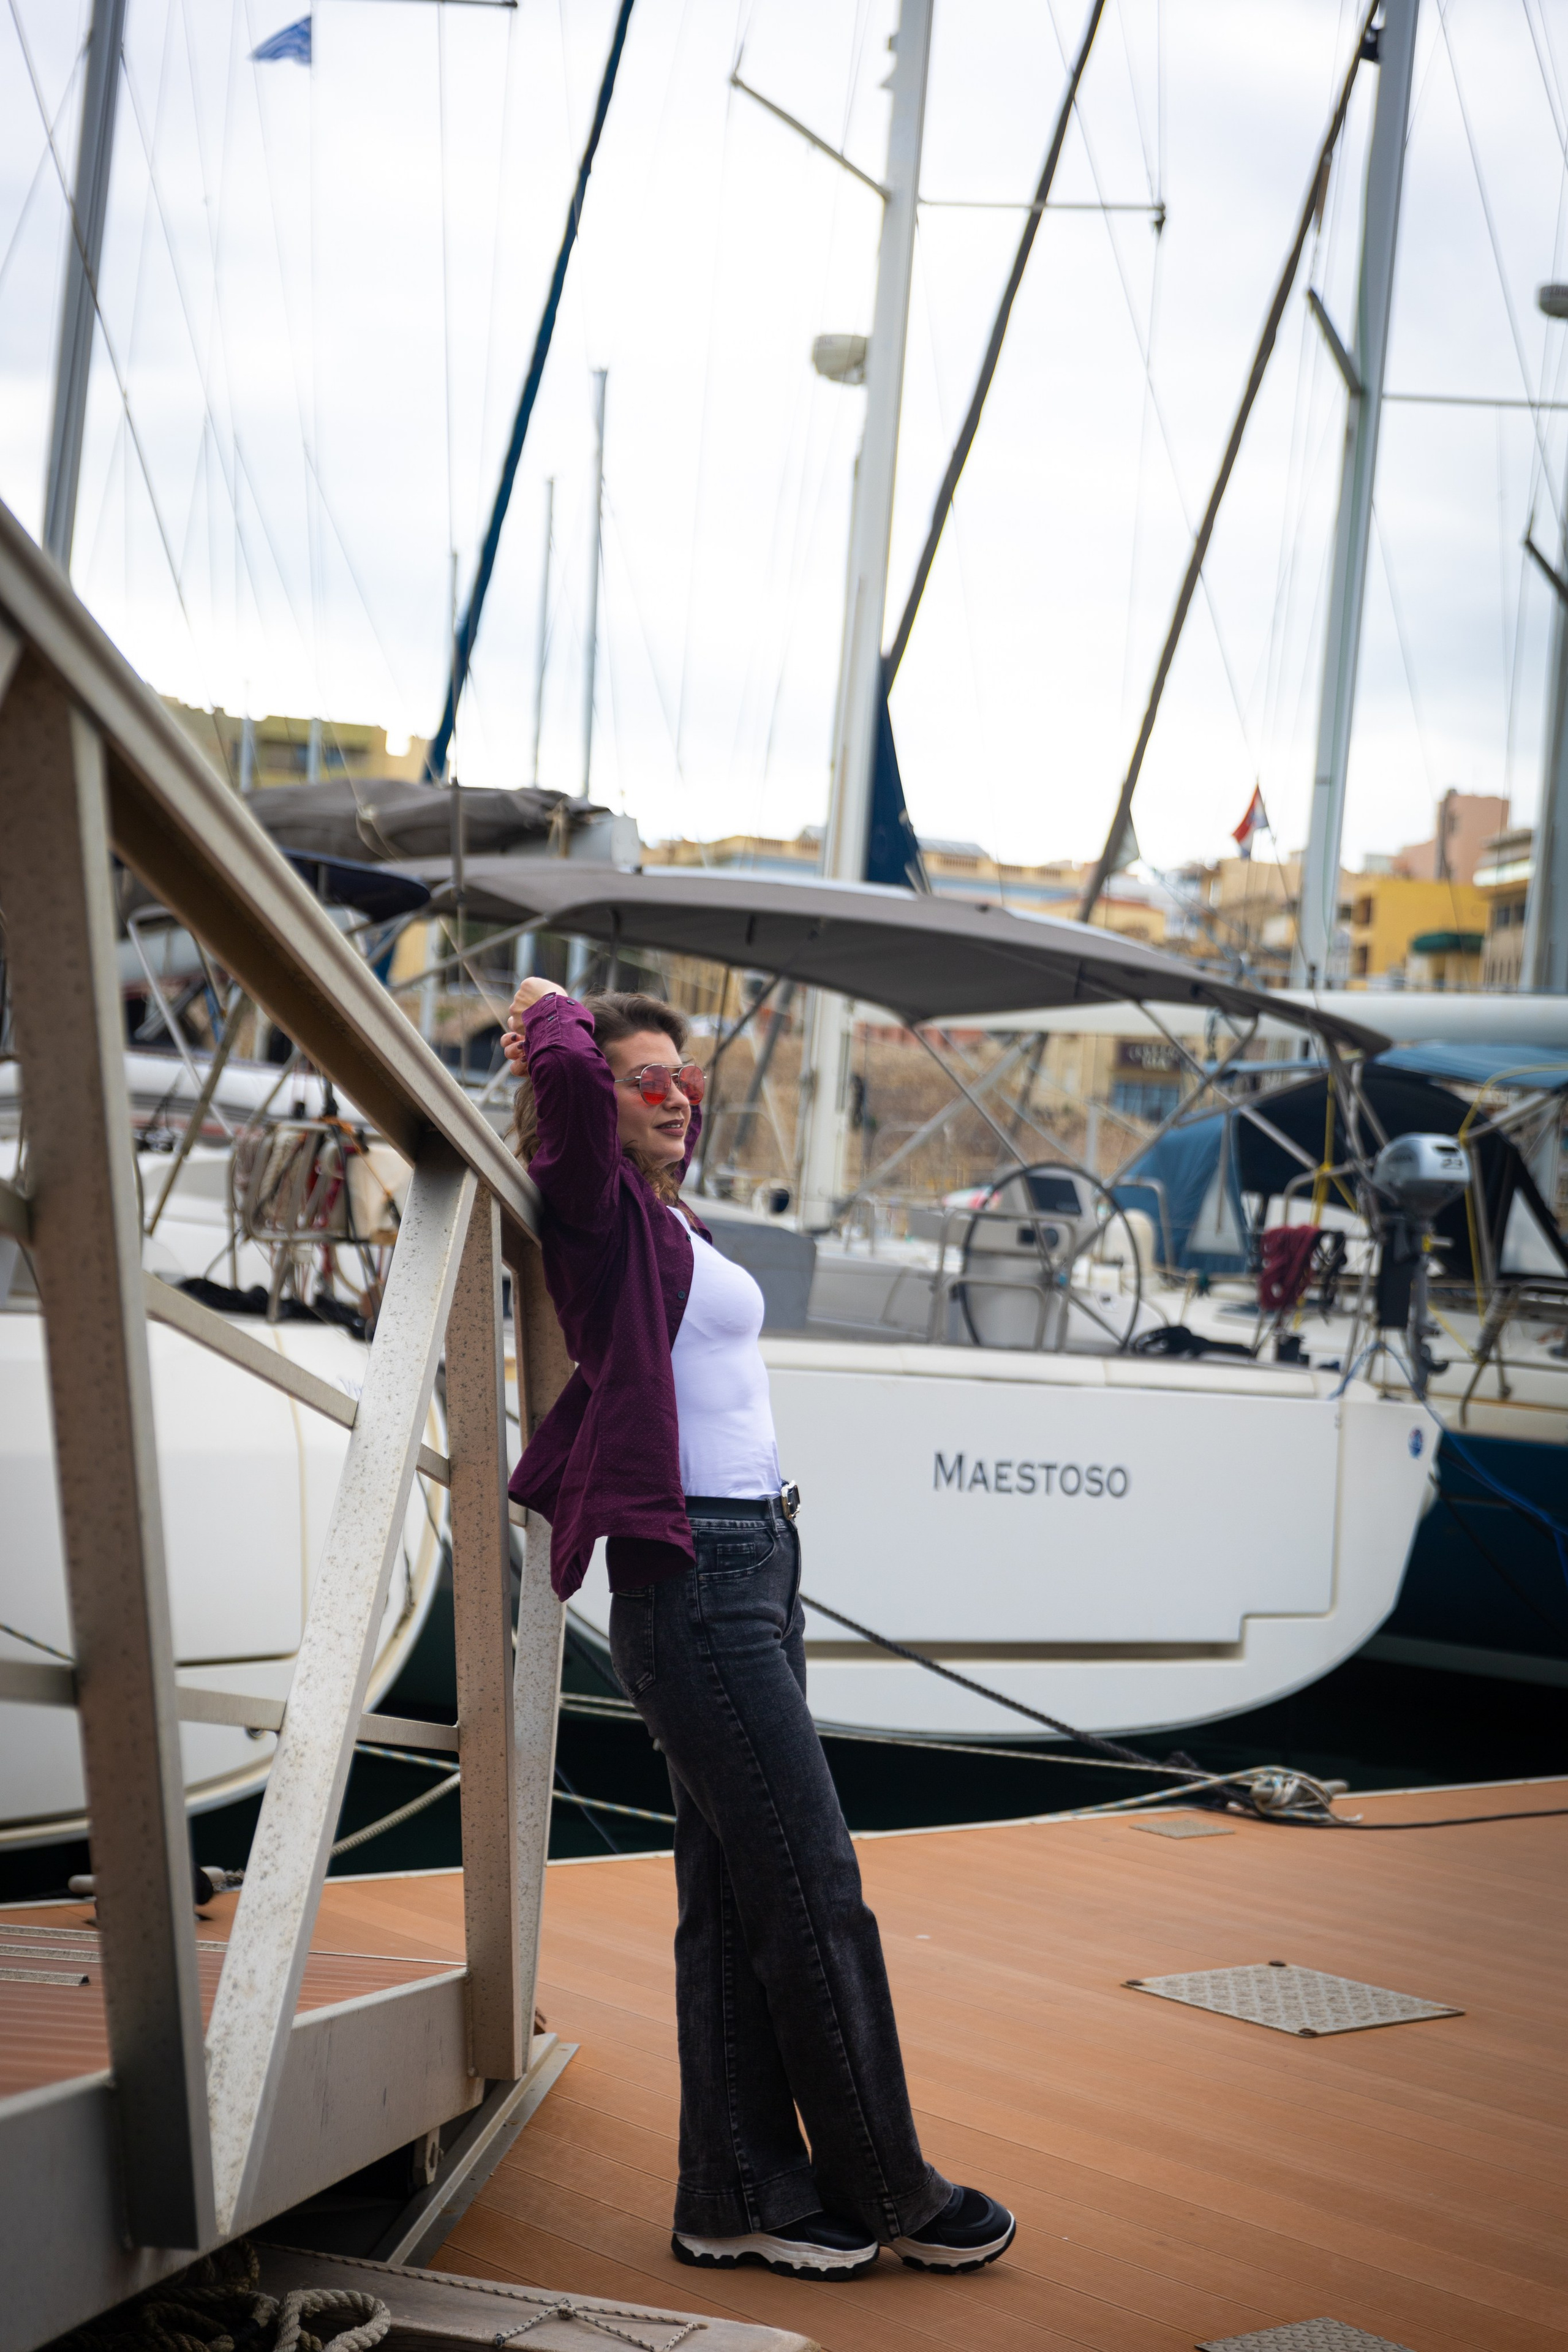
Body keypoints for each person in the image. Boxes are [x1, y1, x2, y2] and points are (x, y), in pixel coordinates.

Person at [500, 976, 1016, 2283]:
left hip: (758, 1567)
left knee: (735, 1896)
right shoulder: (595, 1211)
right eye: (647, 1079)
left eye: (688, 1075)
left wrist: (630, 1078)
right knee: (814, 1888)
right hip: (694, 1581)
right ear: (597, 1107)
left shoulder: (671, 1221)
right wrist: (554, 1003)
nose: (677, 1096)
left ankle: (731, 2192)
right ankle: (888, 2186)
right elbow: (559, 1085)